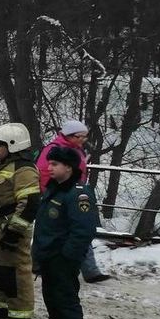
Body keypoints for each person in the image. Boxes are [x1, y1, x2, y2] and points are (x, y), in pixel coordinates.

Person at [31, 146, 99, 319]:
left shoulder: (78, 193)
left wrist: (67, 256)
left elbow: (83, 230)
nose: (48, 167)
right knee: (51, 296)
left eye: (54, 164)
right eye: (49, 163)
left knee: (67, 298)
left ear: (68, 168)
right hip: (49, 255)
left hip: (62, 257)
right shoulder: (55, 189)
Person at [35, 119, 111, 283]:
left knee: (79, 228)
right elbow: (44, 172)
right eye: (80, 136)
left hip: (73, 192)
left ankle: (90, 270)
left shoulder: (77, 150)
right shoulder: (54, 150)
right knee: (56, 231)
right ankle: (46, 264)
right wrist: (51, 193)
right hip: (57, 194)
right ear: (69, 135)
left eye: (85, 136)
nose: (84, 140)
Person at [0, 123, 41, 319]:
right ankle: (5, 306)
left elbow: (29, 203)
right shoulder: (6, 166)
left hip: (12, 230)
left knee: (17, 272)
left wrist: (14, 233)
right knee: (1, 270)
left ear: (12, 145)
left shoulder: (24, 169)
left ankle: (21, 315)